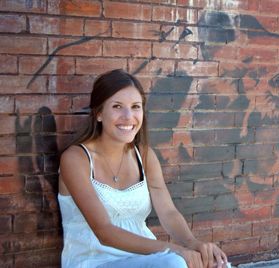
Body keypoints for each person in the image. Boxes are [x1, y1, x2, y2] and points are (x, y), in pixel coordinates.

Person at [58, 69, 230, 268]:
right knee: (174, 263)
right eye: (117, 107)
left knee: (218, 265)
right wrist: (175, 250)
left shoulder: (145, 155)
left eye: (135, 107)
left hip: (145, 260)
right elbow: (104, 231)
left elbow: (168, 212)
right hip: (94, 261)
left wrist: (193, 245)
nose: (128, 116)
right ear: (98, 114)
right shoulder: (76, 159)